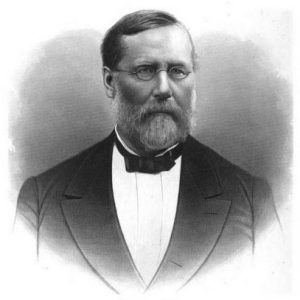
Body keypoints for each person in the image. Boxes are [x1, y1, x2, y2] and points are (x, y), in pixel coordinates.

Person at [14, 9, 281, 296]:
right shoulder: (41, 203)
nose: (164, 89)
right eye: (145, 70)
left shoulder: (252, 203)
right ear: (109, 82)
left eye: (178, 71)